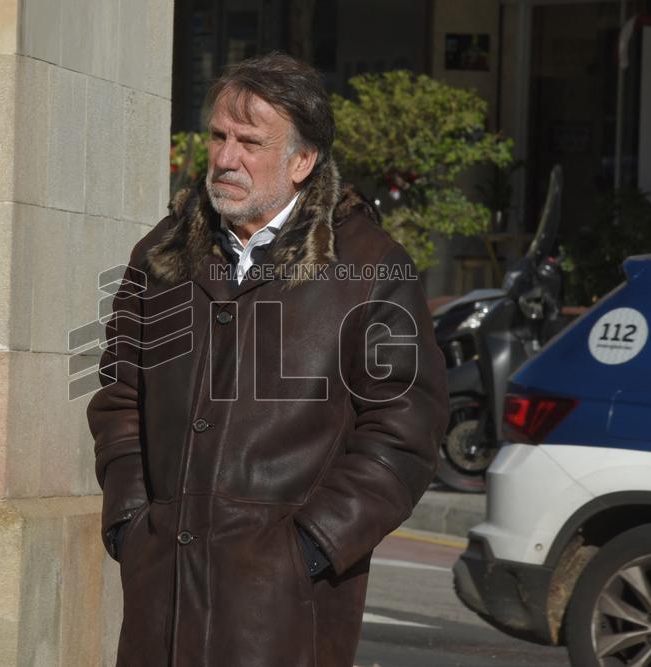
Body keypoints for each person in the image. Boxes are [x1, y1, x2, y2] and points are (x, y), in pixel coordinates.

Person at [87, 52, 449, 667]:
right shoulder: (161, 254)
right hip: (160, 603)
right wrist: (130, 520)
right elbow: (120, 393)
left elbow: (404, 434)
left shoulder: (370, 270)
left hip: (284, 617)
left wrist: (308, 548)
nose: (226, 159)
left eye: (249, 142)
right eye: (219, 137)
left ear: (302, 161)